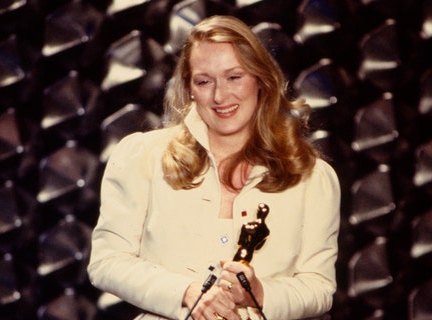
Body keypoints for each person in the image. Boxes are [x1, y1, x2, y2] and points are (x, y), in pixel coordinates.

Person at [87, 15, 341, 320]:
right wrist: (187, 293)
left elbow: (319, 287)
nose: (220, 96)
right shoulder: (141, 157)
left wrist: (261, 294)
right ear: (189, 88)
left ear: (261, 80)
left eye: (234, 77)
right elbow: (107, 262)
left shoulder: (312, 177)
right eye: (204, 81)